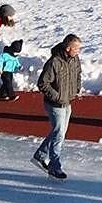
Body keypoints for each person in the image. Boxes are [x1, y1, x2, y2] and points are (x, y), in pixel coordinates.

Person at [33, 34, 82, 179]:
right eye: (77, 48)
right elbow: (43, 83)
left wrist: (76, 89)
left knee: (58, 133)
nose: (79, 51)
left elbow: (78, 73)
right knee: (58, 134)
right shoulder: (54, 62)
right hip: (54, 105)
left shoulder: (75, 59)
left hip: (67, 102)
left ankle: (40, 155)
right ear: (68, 49)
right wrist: (57, 97)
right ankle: (55, 167)